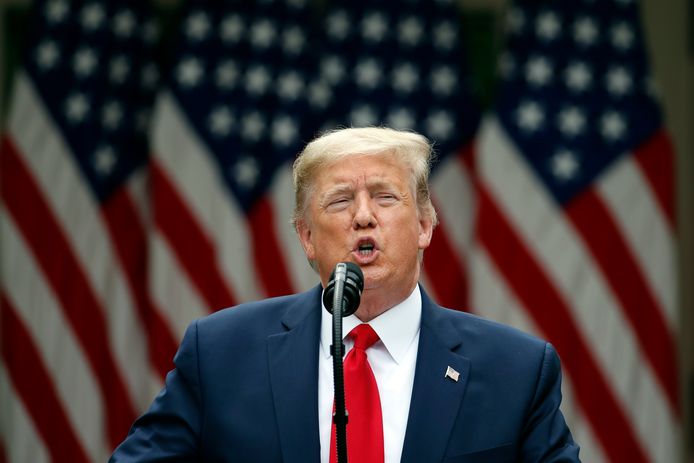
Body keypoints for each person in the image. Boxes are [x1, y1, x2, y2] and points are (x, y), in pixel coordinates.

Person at [110, 127, 580, 462]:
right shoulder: (220, 353)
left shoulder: (515, 371)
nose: (363, 217)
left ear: (424, 225)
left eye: (385, 197)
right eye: (339, 200)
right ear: (306, 237)